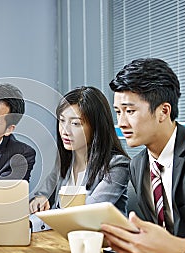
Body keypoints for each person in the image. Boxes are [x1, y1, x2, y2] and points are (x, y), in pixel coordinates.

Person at [103, 58, 185, 253]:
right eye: (118, 112)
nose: (122, 123)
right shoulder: (138, 165)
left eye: (130, 111)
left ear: (163, 111)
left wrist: (184, 249)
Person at [29, 86, 130, 232]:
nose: (65, 131)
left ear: (96, 126)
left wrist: (33, 223)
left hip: (105, 247)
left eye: (75, 123)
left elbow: (84, 215)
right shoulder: (64, 163)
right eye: (62, 121)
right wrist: (38, 201)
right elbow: (42, 195)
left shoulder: (117, 165)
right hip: (69, 241)